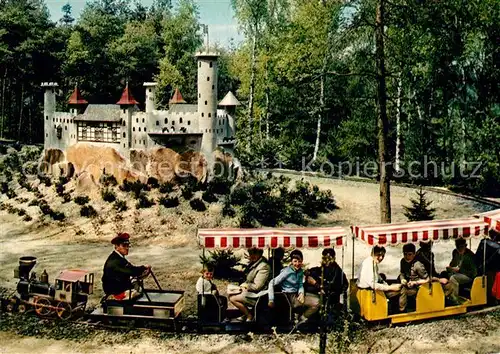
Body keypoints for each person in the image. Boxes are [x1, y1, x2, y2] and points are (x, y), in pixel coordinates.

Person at [102, 233, 151, 300]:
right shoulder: (114, 261)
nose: (127, 248)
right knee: (138, 290)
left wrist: (143, 270)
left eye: (127, 245)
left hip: (119, 288)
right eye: (124, 245)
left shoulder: (118, 257)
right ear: (117, 246)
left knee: (136, 283)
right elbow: (131, 271)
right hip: (116, 293)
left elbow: (131, 268)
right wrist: (143, 268)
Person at [268, 249, 311, 324]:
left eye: (300, 261)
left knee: (316, 298)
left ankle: (301, 318)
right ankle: (301, 319)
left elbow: (300, 284)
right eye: (295, 261)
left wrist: (301, 293)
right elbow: (272, 282)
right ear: (291, 261)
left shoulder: (300, 271)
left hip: (296, 294)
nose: (297, 264)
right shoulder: (286, 271)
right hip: (288, 297)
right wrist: (271, 299)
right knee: (316, 302)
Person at [228, 247, 270, 322]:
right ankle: (247, 313)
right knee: (231, 293)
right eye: (251, 253)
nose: (252, 255)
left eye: (255, 253)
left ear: (260, 253)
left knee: (233, 298)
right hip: (252, 292)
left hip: (260, 295)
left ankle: (249, 316)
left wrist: (245, 286)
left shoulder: (263, 266)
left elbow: (257, 286)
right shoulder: (254, 263)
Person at [304, 248, 348, 317]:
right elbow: (319, 270)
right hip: (324, 292)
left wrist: (315, 284)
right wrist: (309, 271)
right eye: (324, 258)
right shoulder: (326, 267)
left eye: (328, 258)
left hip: (331, 298)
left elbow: (333, 286)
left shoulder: (337, 271)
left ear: (333, 258)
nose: (326, 261)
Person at [398, 243, 429, 312]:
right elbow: (402, 273)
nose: (407, 256)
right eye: (405, 254)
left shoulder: (417, 265)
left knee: (403, 291)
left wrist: (415, 282)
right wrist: (402, 279)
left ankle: (402, 311)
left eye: (409, 254)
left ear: (414, 254)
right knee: (399, 288)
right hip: (408, 284)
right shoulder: (403, 261)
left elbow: (427, 279)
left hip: (418, 287)